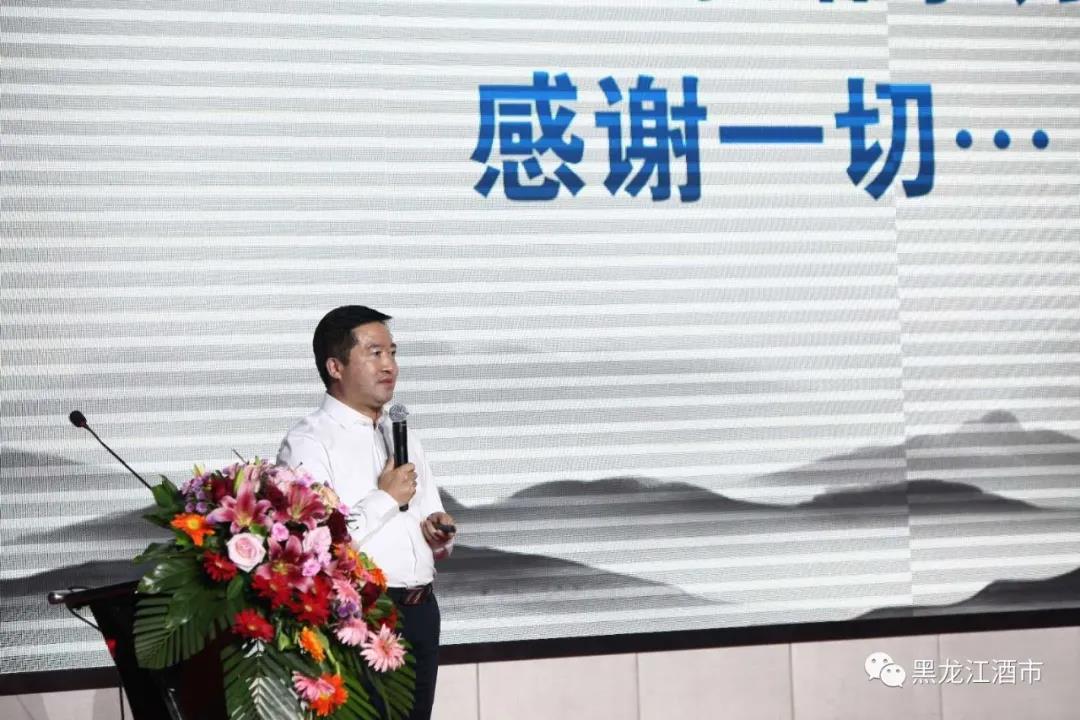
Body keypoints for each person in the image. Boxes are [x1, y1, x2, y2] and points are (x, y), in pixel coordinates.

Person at [278, 305, 455, 720]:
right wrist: (385, 498)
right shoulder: (309, 442)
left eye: (392, 353)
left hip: (421, 611)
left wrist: (439, 533)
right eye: (375, 353)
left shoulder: (403, 434)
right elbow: (315, 547)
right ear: (335, 367)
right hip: (360, 616)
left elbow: (432, 521)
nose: (389, 365)